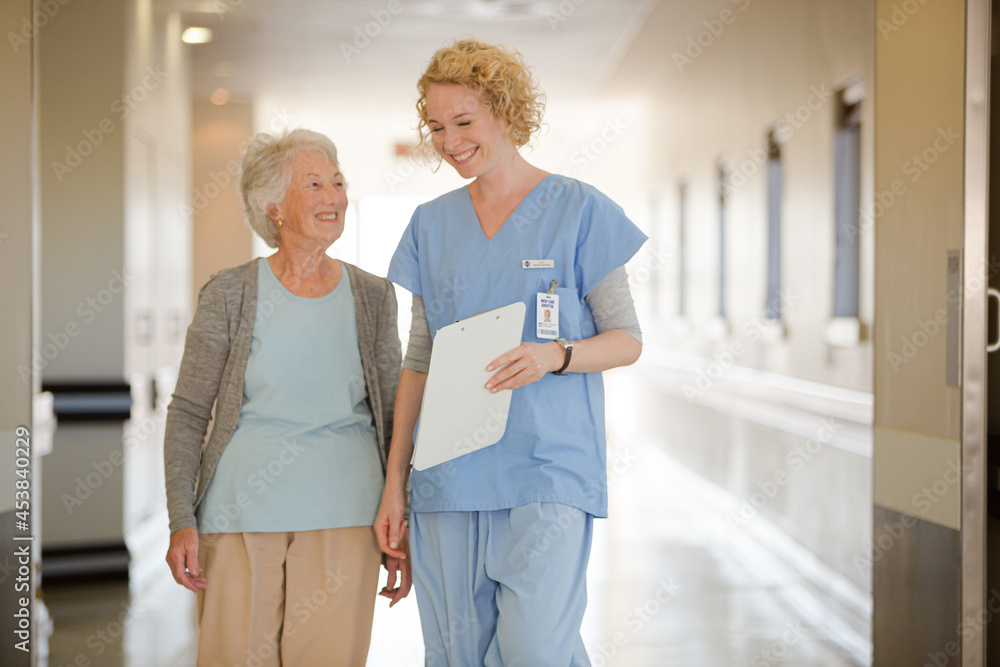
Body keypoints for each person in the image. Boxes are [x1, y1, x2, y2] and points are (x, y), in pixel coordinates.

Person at [374, 39, 647, 665]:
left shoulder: (580, 210)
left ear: (506, 112)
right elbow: (420, 359)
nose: (450, 141)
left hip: (548, 468)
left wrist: (558, 356)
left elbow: (626, 339)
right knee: (455, 653)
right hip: (447, 473)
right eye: (437, 127)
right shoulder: (430, 224)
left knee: (535, 652)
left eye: (464, 122)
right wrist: (395, 480)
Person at [164, 128, 409, 667]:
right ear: (271, 204)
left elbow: (394, 414)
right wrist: (182, 518)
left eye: (339, 182)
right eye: (314, 183)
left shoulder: (372, 296)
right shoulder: (229, 293)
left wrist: (401, 518)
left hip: (348, 514)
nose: (334, 196)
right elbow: (187, 414)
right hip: (238, 515)